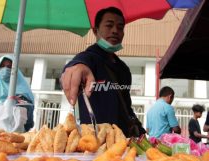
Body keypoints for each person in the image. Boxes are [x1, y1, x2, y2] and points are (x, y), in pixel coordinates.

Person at [60, 7, 145, 137]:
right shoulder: (89, 58)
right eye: (109, 25)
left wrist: (140, 130)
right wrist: (76, 66)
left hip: (122, 141)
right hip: (94, 142)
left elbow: (126, 107)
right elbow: (79, 64)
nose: (115, 31)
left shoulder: (124, 69)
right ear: (95, 31)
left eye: (120, 27)